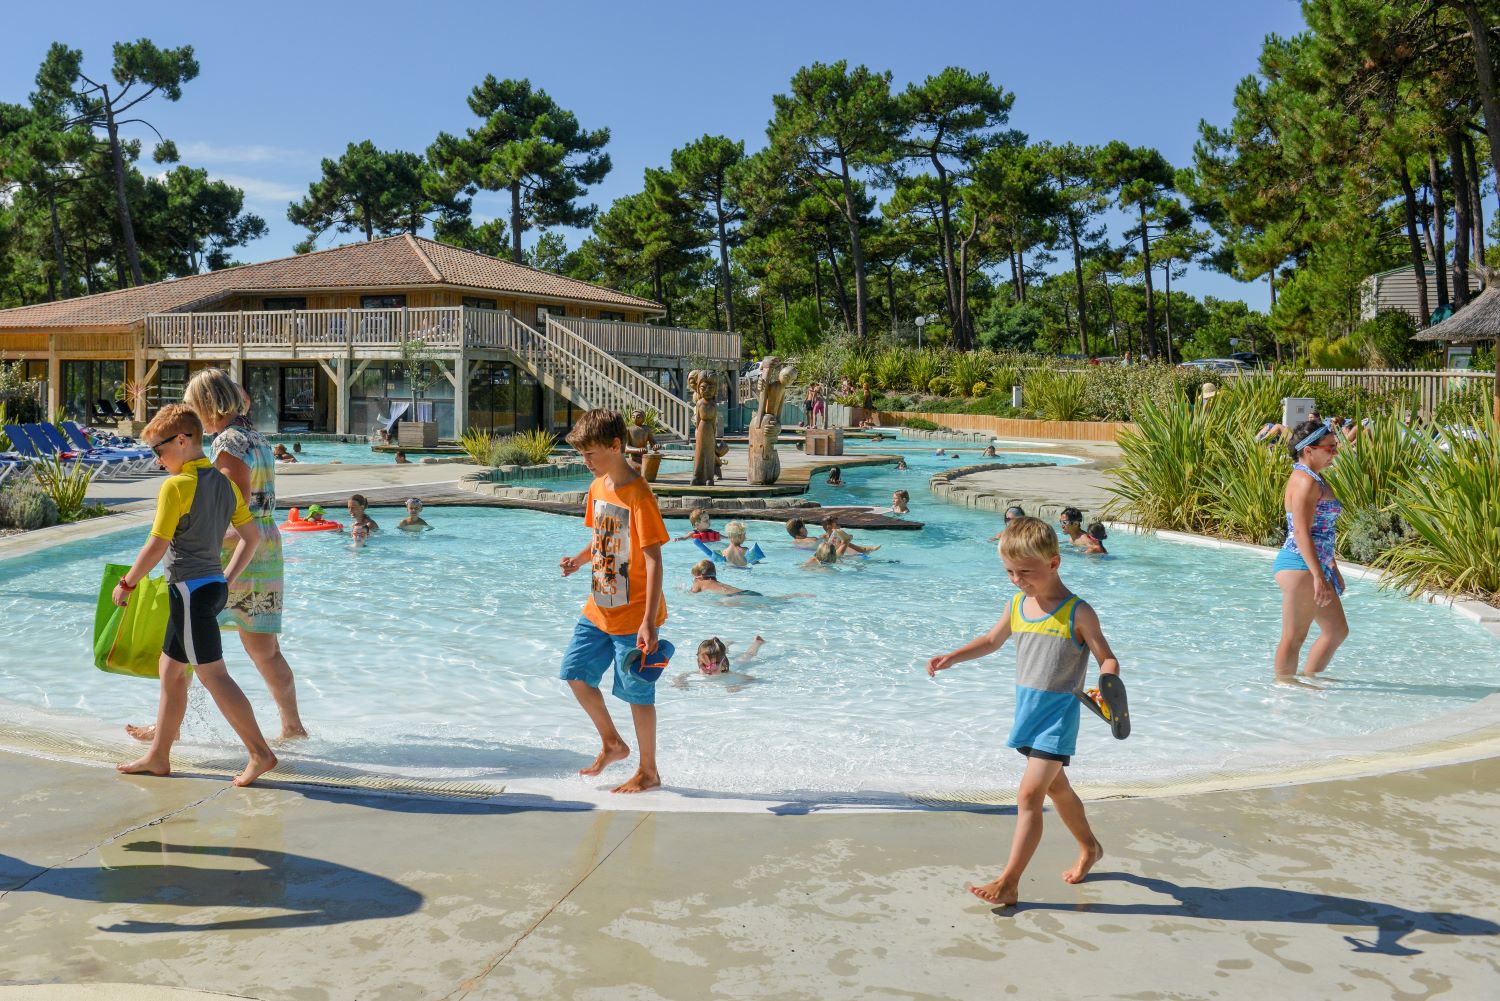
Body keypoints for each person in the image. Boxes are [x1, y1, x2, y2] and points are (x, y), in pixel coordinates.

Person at [926, 516, 1120, 906]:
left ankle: (1009, 882)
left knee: (1029, 796)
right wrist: (954, 657)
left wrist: (1109, 686)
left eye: (1025, 572)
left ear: (1054, 563)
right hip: (1027, 712)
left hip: (1058, 716)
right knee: (1058, 790)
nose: (1017, 580)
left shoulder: (1077, 612)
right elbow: (992, 641)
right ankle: (1091, 848)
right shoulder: (1018, 603)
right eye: (1010, 572)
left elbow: (1107, 657)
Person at [113, 404, 277, 787]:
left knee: (213, 676)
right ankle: (158, 756)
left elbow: (157, 545)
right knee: (170, 671)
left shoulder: (176, 486)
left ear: (183, 441)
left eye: (159, 450)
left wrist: (128, 583)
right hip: (209, 589)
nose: (157, 461)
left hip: (189, 591)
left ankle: (260, 753)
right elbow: (253, 537)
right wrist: (225, 578)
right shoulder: (224, 484)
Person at [557, 409, 671, 794]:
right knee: (574, 672)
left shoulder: (639, 495)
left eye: (591, 454)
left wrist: (649, 621)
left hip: (633, 616)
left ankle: (649, 771)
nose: (585, 462)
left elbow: (654, 558)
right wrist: (579, 558)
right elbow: (603, 538)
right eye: (582, 455)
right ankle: (612, 743)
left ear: (616, 446)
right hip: (598, 609)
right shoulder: (597, 488)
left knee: (638, 694)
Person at [1272, 418, 1348, 683]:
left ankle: (1309, 681)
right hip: (1300, 566)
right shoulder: (1305, 481)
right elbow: (1302, 532)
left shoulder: (1316, 479)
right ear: (1308, 450)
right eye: (1329, 447)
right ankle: (1284, 689)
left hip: (1314, 565)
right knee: (1294, 637)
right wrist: (1318, 575)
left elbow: (1321, 533)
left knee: (1336, 631)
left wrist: (1332, 568)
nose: (1335, 453)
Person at [689, 559, 759, 596]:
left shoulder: (699, 582)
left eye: (694, 577)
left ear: (699, 576)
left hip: (734, 597)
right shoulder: (715, 582)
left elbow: (691, 594)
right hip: (746, 592)